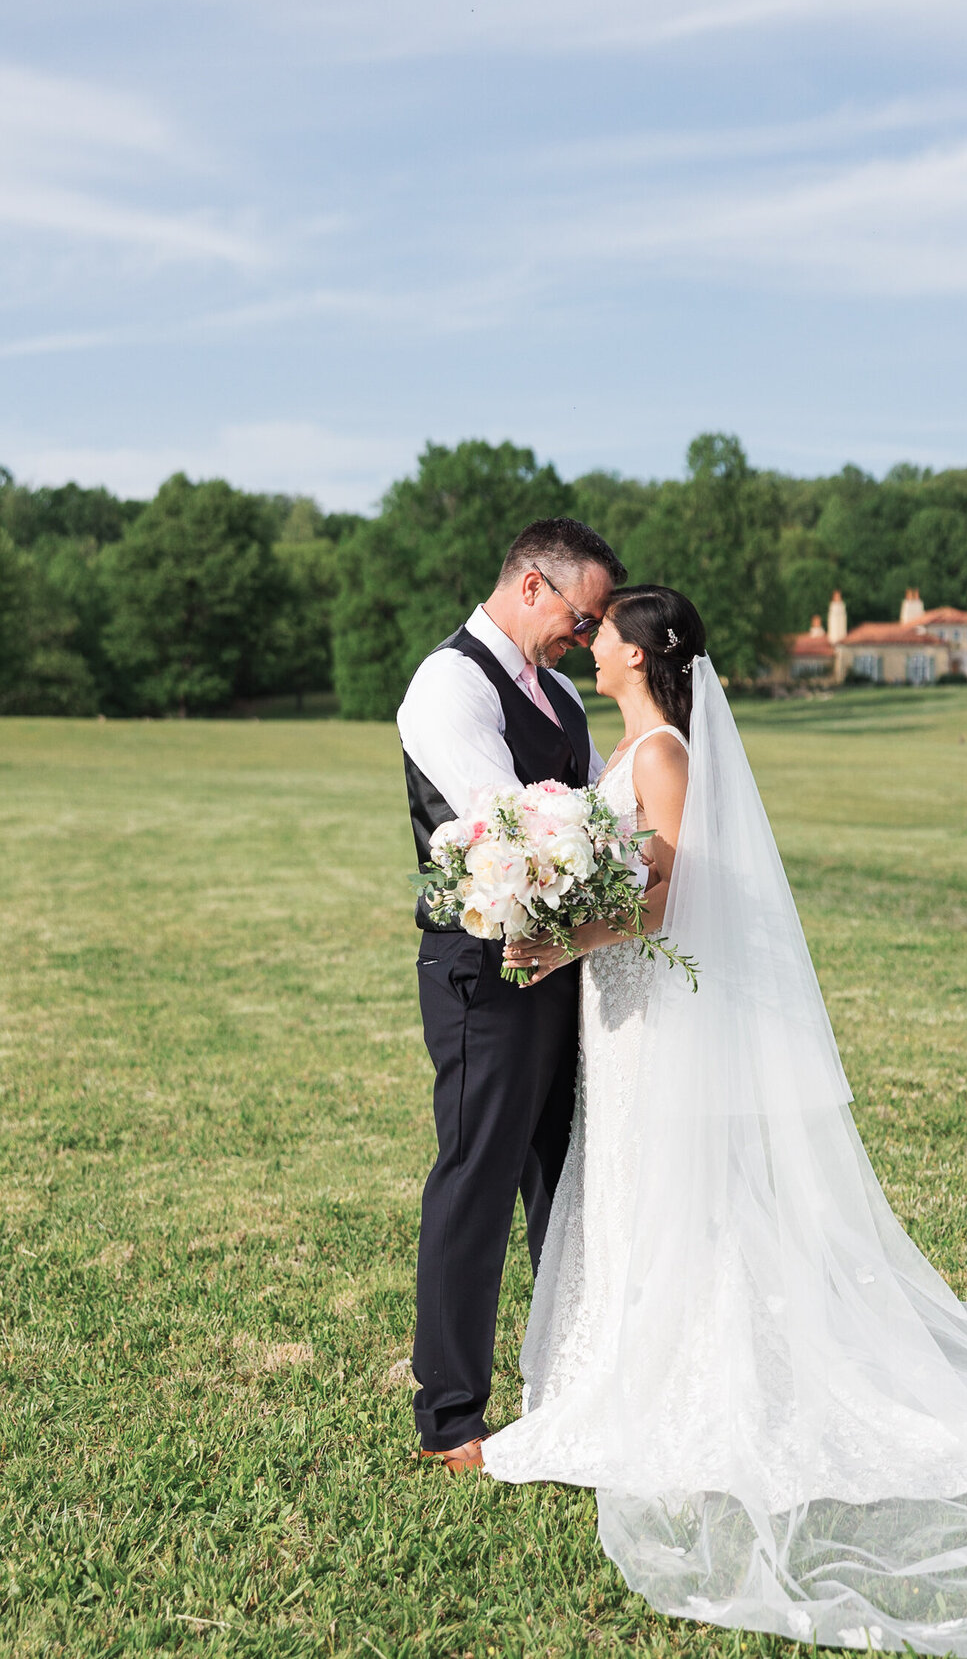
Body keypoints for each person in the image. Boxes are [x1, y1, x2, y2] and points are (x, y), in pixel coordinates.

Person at [483, 585, 967, 1659]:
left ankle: (688, 1374)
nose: (593, 645)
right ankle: (621, 1360)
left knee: (677, 1189)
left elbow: (661, 904)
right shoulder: (626, 749)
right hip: (621, 1015)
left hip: (645, 1005)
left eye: (606, 634)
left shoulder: (666, 755)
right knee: (631, 1180)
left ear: (644, 653)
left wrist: (561, 939)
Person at [396, 518, 625, 1473]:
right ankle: (450, 1415)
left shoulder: (564, 694)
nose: (585, 636)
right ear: (533, 586)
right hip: (482, 971)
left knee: (564, 1180)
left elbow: (599, 819)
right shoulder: (450, 684)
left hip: (565, 966)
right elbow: (512, 829)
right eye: (582, 615)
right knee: (478, 1176)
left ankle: (567, 1382)